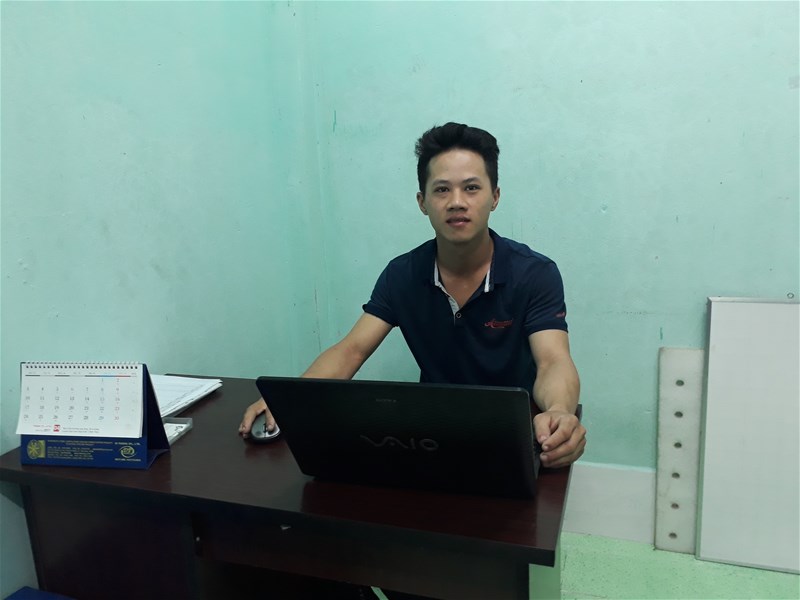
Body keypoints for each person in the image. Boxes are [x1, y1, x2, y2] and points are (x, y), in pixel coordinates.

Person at [239, 121, 586, 469]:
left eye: (471, 188)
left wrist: (559, 411)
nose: (457, 202)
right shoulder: (402, 275)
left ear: (495, 197)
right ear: (422, 202)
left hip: (513, 433)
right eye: (441, 190)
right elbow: (351, 350)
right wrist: (290, 400)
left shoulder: (534, 273)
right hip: (431, 434)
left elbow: (553, 360)